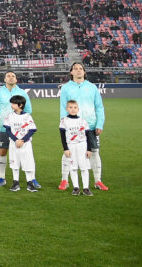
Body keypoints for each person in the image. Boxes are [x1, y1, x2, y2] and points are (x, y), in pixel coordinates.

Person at [59, 62, 108, 191]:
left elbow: (99, 107)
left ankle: (98, 181)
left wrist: (99, 124)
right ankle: (64, 180)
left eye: (81, 69)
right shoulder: (66, 88)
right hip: (72, 126)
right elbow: (64, 107)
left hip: (90, 126)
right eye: (76, 69)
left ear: (84, 72)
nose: (79, 70)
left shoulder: (92, 87)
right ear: (71, 72)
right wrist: (64, 123)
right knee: (68, 153)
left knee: (94, 152)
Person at [0, 71, 32, 188]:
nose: (11, 78)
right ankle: (2, 177)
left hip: (21, 130)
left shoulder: (22, 93)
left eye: (13, 76)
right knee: (2, 151)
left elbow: (28, 109)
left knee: (24, 154)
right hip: (5, 129)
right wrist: (7, 121)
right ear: (4, 79)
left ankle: (31, 179)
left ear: (16, 79)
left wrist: (19, 123)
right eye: (8, 76)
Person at [3, 94, 39, 192]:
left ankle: (29, 183)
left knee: (27, 163)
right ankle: (15, 183)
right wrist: (16, 140)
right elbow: (8, 130)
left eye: (14, 103)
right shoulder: (9, 116)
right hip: (14, 144)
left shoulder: (27, 116)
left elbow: (32, 130)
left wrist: (23, 140)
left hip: (25, 144)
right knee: (14, 163)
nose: (11, 105)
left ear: (20, 105)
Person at [60, 100, 96, 196]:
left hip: (82, 145)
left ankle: (86, 188)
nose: (73, 109)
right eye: (70, 107)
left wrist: (89, 149)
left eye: (75, 107)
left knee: (84, 168)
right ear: (67, 109)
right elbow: (62, 136)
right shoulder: (64, 121)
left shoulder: (83, 121)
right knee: (73, 167)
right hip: (71, 146)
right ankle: (76, 188)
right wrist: (65, 149)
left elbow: (88, 136)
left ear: (78, 109)